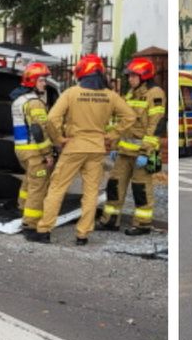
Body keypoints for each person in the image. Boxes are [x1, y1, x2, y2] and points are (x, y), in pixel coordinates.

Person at [28, 55, 135, 245]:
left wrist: (59, 139)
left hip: (74, 147)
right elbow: (130, 117)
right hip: (96, 149)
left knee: (57, 188)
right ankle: (83, 234)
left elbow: (52, 119)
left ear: (82, 72)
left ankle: (44, 230)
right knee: (91, 192)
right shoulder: (110, 95)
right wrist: (111, 135)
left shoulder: (71, 93)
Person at [100, 57, 167, 235]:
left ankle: (142, 224)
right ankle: (110, 221)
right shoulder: (130, 93)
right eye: (129, 76)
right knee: (114, 185)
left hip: (143, 154)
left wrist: (146, 152)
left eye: (133, 76)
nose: (130, 79)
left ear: (144, 76)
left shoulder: (156, 93)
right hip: (124, 152)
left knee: (141, 189)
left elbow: (157, 125)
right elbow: (122, 122)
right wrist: (114, 146)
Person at [10, 62, 53, 233]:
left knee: (29, 180)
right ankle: (31, 223)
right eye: (41, 80)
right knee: (38, 186)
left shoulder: (19, 100)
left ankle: (21, 208)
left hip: (22, 149)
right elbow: (39, 130)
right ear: (32, 82)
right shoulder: (34, 103)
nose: (44, 83)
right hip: (34, 150)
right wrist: (48, 153)